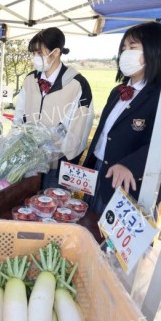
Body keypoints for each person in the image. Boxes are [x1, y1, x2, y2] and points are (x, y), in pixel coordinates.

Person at [84, 21, 161, 214]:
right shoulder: (117, 92)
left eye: (133, 47)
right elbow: (104, 134)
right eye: (123, 48)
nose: (125, 53)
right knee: (88, 227)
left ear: (153, 51)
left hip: (129, 183)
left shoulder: (157, 96)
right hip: (99, 173)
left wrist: (130, 165)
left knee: (111, 240)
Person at [14, 27, 94, 188]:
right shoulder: (30, 80)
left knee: (49, 205)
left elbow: (80, 127)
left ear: (55, 52)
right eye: (33, 54)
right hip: (27, 158)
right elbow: (20, 113)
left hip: (56, 165)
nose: (35, 58)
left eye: (39, 53)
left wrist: (58, 155)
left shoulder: (77, 84)